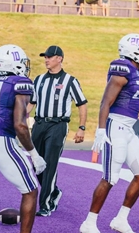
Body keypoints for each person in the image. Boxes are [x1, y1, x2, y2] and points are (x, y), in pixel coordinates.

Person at [79, 34, 139, 233]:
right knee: (110, 178)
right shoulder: (123, 68)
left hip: (128, 128)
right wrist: (101, 130)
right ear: (133, 50)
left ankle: (121, 219)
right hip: (115, 126)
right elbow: (106, 101)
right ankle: (89, 223)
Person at [0, 44, 47, 233]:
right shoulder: (19, 83)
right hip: (1, 141)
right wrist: (33, 153)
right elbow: (20, 125)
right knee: (31, 190)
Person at [28, 45, 88, 217]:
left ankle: (46, 205)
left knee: (49, 164)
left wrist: (82, 128)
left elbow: (81, 104)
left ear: (59, 59)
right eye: (45, 57)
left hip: (58, 125)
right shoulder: (39, 80)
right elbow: (32, 103)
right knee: (36, 163)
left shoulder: (70, 80)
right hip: (39, 125)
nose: (46, 59)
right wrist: (18, 119)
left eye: (49, 57)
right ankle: (54, 191)